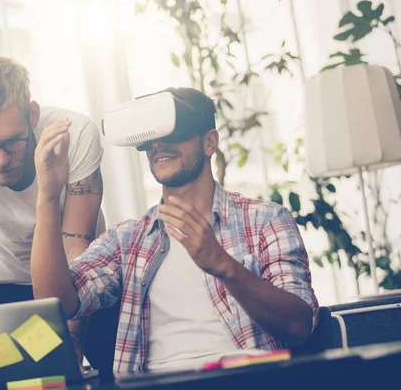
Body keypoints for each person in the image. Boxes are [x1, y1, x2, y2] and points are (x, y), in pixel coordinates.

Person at [30, 87, 319, 373]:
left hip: (245, 379)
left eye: (174, 132)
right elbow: (56, 303)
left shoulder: (266, 221)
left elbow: (299, 326)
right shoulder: (128, 240)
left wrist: (224, 266)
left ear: (209, 143)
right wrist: (49, 196)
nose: (159, 145)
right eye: (151, 136)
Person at [0, 55, 111, 366]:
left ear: (32, 115)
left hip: (80, 279)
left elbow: (75, 252)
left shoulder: (73, 135)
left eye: (13, 142)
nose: (0, 159)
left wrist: (70, 350)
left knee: (105, 368)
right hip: (7, 292)